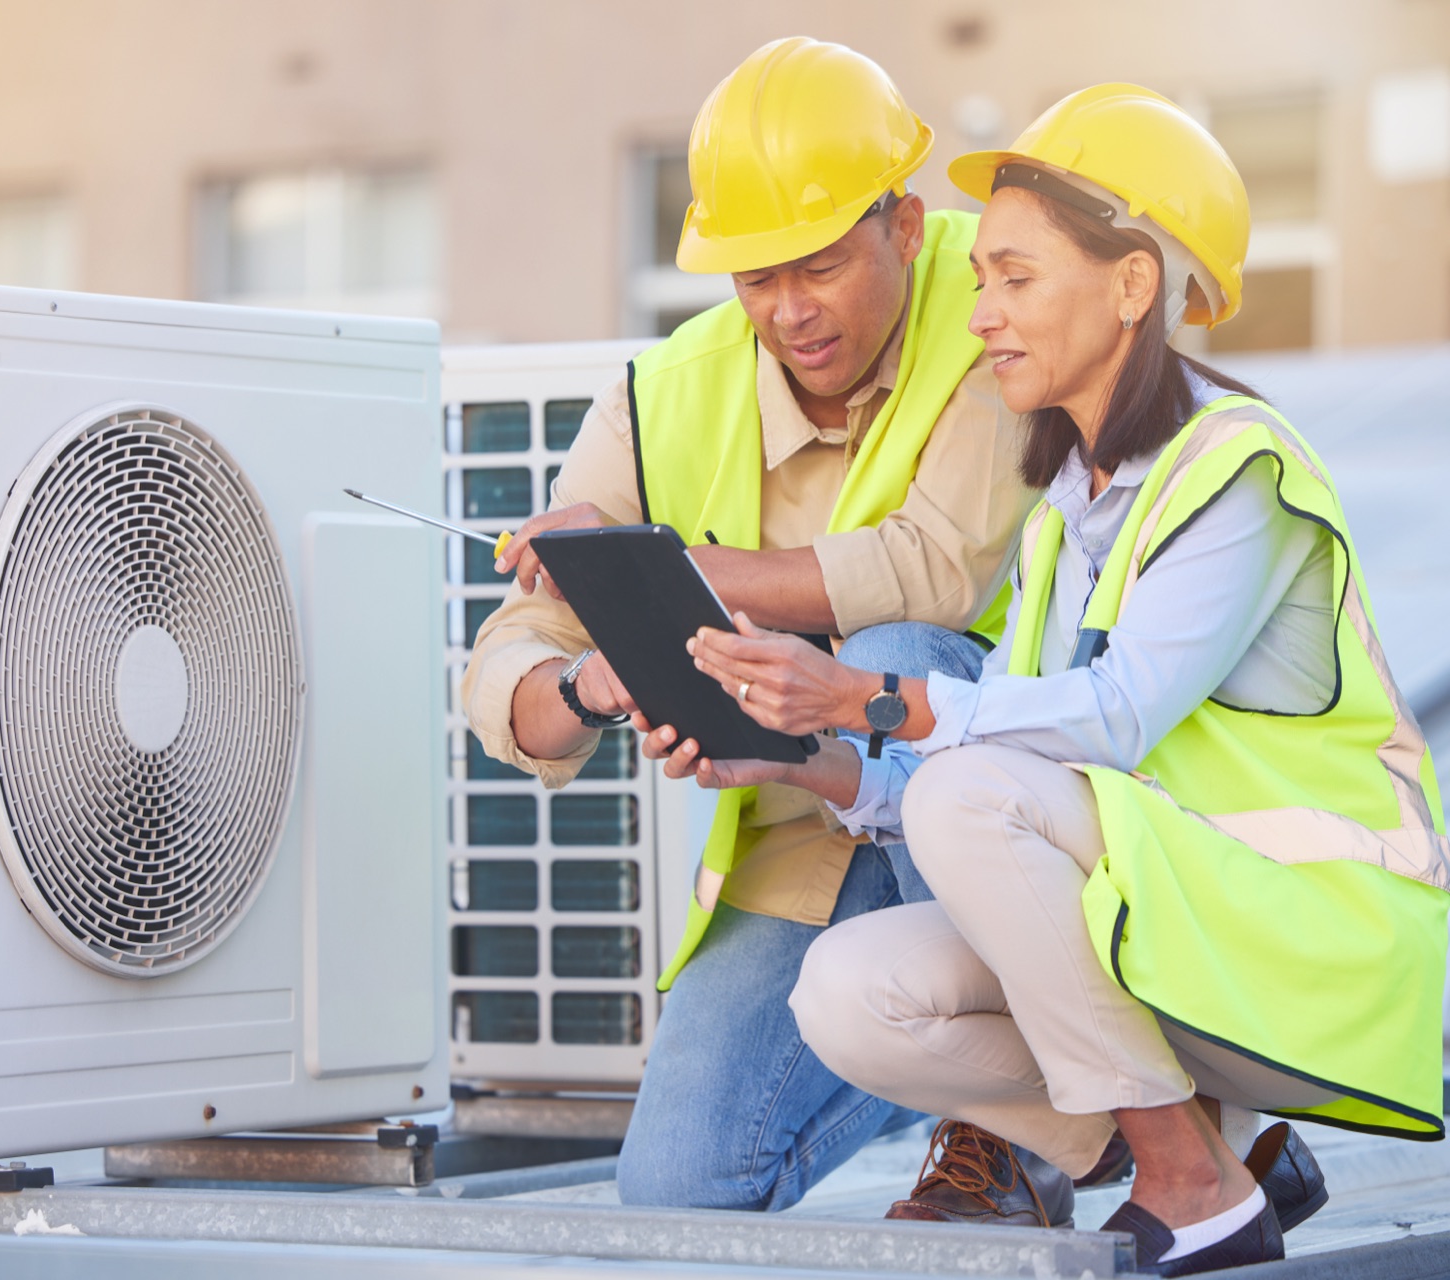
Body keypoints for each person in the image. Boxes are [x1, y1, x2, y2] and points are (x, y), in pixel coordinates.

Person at [667, 83, 1448, 1274]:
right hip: (1181, 924)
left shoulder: (1237, 467)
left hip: (1310, 936)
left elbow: (1116, 716)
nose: (981, 316)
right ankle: (1223, 1152)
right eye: (981, 279)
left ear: (1132, 285)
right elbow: (990, 756)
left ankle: (1192, 1187)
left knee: (963, 790)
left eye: (1016, 279)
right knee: (849, 989)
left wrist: (866, 697)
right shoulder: (1065, 514)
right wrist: (801, 753)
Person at [460, 37, 1040, 1214]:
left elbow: (931, 568)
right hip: (800, 819)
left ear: (906, 226)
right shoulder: (664, 395)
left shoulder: (995, 321)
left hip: (1003, 805)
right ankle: (946, 1053)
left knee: (892, 660)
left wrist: (664, 574)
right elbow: (512, 663)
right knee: (676, 1195)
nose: (790, 310)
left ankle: (1014, 1125)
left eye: (820, 265)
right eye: (756, 277)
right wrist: (588, 684)